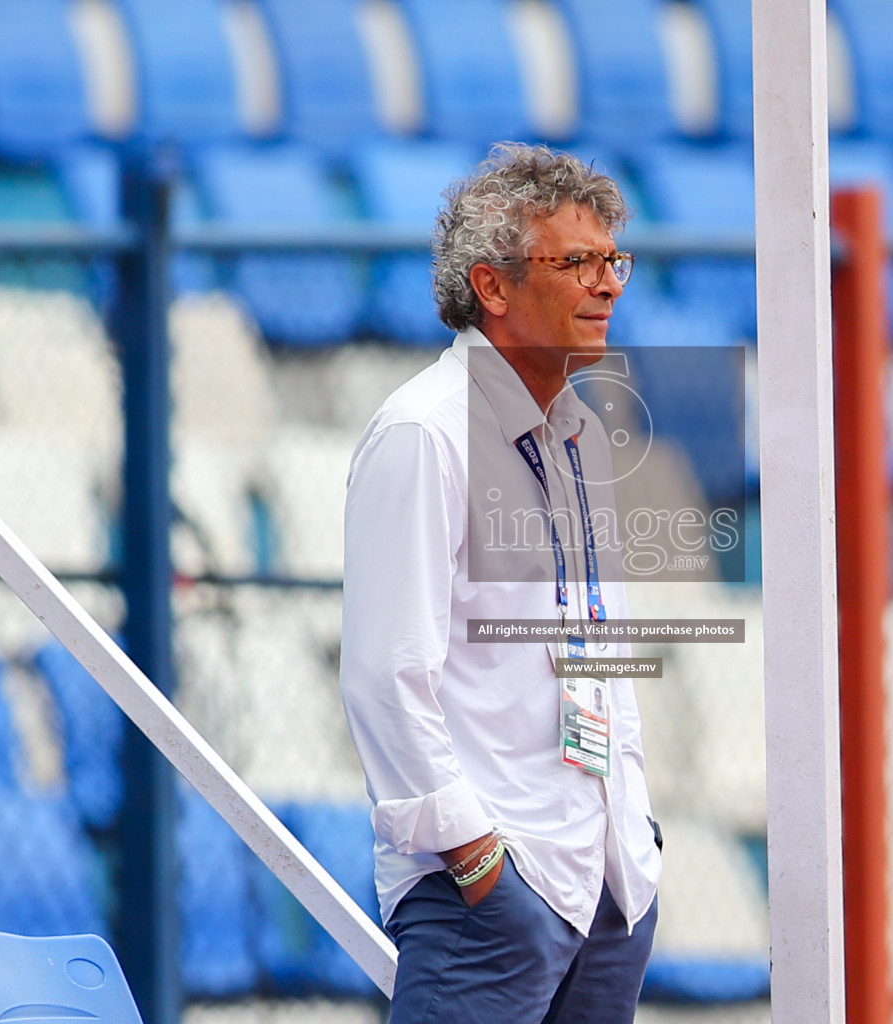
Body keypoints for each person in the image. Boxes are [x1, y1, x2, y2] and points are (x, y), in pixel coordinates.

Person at [339, 143, 661, 1024]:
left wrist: (636, 833)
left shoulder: (583, 435)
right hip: (492, 893)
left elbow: (602, 647)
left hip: (604, 885)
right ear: (493, 286)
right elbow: (383, 672)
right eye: (577, 262)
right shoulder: (424, 433)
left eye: (612, 261)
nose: (608, 286)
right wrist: (477, 859)